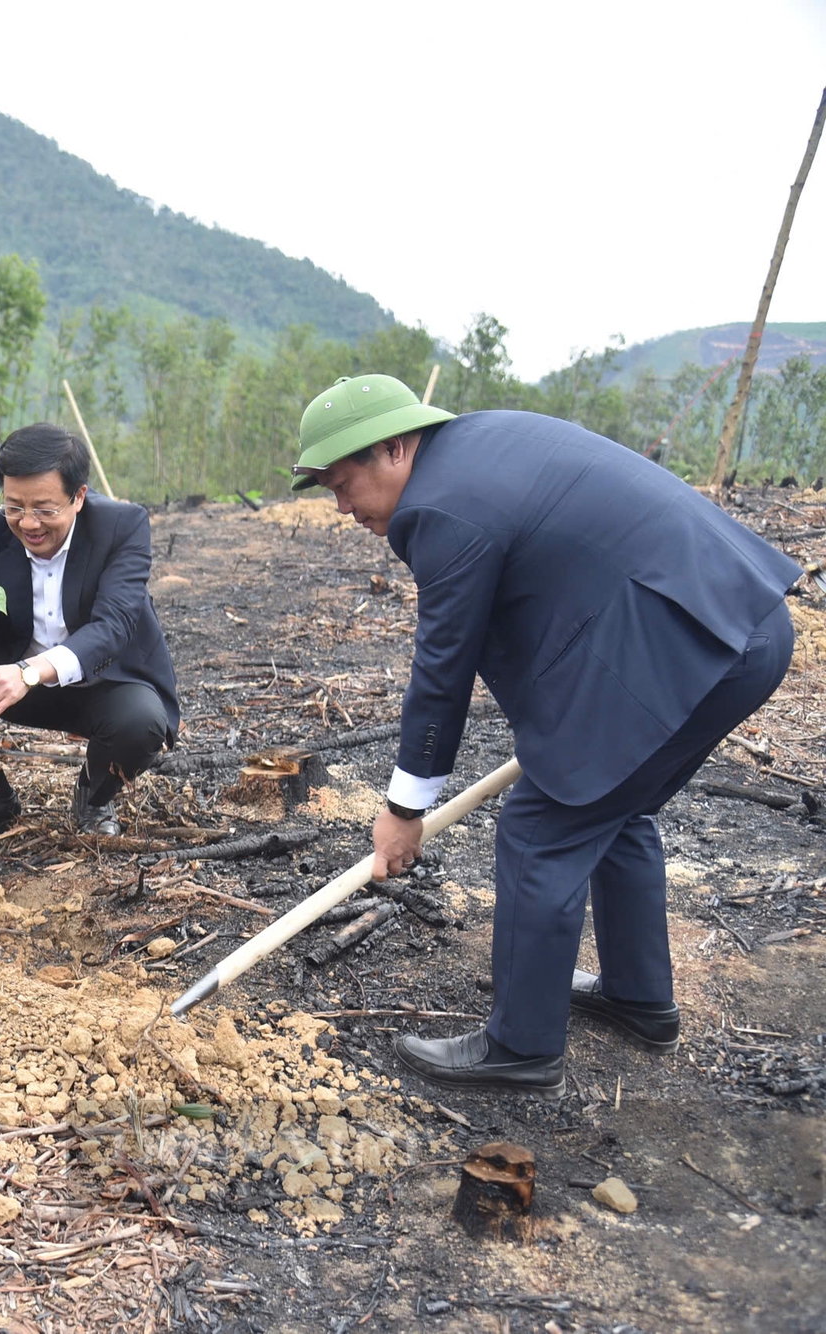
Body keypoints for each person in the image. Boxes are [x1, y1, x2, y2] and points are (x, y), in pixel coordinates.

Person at [290, 374, 798, 1097]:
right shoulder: (483, 444)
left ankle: (520, 1047)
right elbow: (533, 615)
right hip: (743, 628)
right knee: (615, 806)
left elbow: (445, 666)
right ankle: (637, 995)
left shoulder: (441, 508)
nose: (341, 507)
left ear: (396, 449)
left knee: (540, 829)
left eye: (343, 483)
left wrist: (404, 811)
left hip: (690, 646)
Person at [0, 423, 178, 846]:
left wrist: (30, 671)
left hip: (101, 684)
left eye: (45, 510)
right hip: (11, 686)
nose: (28, 523)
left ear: (79, 497)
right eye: (14, 506)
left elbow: (114, 625)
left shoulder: (121, 526)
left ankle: (94, 794)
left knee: (142, 722)